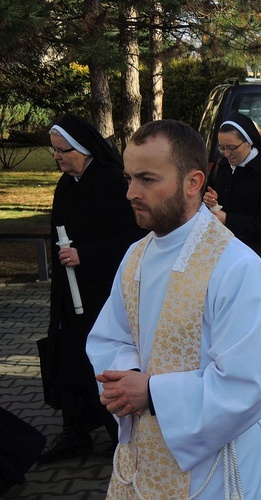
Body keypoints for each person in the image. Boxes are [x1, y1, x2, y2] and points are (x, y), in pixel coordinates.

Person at [86, 119, 261, 499]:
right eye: (129, 177)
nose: (131, 192)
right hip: (142, 453)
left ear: (193, 183)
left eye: (147, 179)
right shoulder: (137, 256)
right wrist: (128, 376)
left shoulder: (238, 269)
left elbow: (247, 382)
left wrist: (152, 392)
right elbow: (112, 335)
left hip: (215, 463)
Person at [38, 115, 145, 463]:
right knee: (67, 357)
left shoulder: (111, 183)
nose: (57, 158)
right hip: (71, 292)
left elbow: (133, 238)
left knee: (102, 359)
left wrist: (86, 254)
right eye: (54, 151)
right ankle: (75, 430)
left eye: (63, 151)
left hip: (103, 290)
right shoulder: (66, 184)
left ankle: (119, 432)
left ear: (82, 149)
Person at [203, 113, 261, 267]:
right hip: (223, 252)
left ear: (248, 142)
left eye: (232, 148)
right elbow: (217, 199)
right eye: (222, 148)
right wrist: (211, 200)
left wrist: (228, 219)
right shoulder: (223, 167)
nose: (227, 154)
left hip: (254, 256)